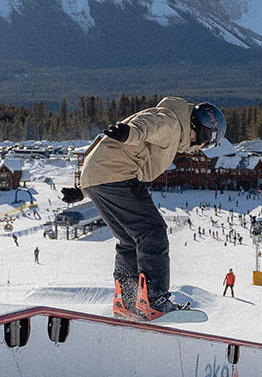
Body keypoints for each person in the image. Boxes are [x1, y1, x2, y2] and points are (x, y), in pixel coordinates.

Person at [62, 97, 223, 320]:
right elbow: (149, 126)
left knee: (129, 240)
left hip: (99, 176)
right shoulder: (172, 123)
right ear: (202, 133)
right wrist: (131, 133)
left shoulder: (173, 124)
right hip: (118, 174)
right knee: (152, 232)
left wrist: (82, 191)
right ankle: (155, 300)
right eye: (205, 144)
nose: (200, 148)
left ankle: (127, 300)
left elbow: (114, 153)